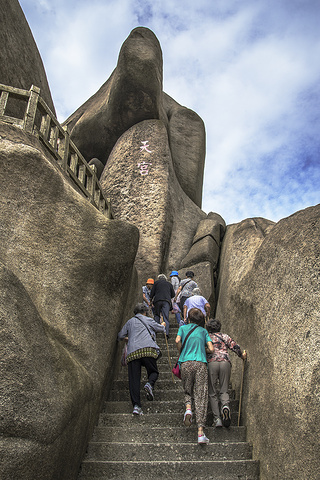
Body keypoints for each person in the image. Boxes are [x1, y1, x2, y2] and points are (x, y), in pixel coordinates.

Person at [117, 303, 166, 415]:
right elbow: (161, 329)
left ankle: (136, 406)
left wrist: (128, 338)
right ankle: (149, 383)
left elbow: (120, 335)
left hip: (133, 352)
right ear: (145, 312)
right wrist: (163, 324)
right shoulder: (148, 320)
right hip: (148, 349)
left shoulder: (129, 322)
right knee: (153, 371)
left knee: (134, 379)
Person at [175, 308, 214, 444]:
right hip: (200, 363)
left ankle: (188, 409)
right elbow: (211, 349)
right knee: (201, 394)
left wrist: (182, 350)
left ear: (189, 318)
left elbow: (177, 340)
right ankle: (200, 433)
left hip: (185, 362)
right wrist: (202, 348)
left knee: (187, 389)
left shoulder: (183, 328)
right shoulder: (203, 331)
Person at [206, 318, 247, 428]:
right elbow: (234, 346)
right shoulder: (224, 336)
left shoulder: (206, 337)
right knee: (224, 389)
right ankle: (225, 406)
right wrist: (242, 355)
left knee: (212, 392)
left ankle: (217, 419)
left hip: (211, 363)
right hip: (225, 362)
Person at [150, 274, 175, 338]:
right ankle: (166, 333)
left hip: (157, 300)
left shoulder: (156, 283)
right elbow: (173, 294)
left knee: (157, 315)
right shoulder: (169, 284)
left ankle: (156, 331)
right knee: (165, 316)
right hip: (166, 301)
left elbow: (152, 293)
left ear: (159, 278)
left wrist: (151, 299)